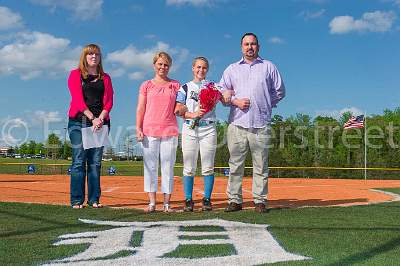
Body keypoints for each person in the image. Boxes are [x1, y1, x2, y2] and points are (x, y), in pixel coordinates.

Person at [219, 33, 286, 213]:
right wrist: (235, 101)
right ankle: (234, 200)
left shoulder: (268, 67)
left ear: (258, 46)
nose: (250, 47)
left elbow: (279, 91)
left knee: (261, 164)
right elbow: (222, 94)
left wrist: (264, 104)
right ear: (241, 47)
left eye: (253, 44)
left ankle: (260, 200)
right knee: (235, 164)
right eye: (246, 44)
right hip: (237, 123)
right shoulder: (231, 69)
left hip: (261, 124)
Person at [67, 43, 114, 209]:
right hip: (79, 123)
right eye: (90, 54)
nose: (94, 57)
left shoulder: (105, 77)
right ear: (85, 57)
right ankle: (77, 200)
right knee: (79, 160)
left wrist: (100, 118)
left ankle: (94, 199)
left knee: (95, 163)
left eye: (97, 54)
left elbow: (109, 101)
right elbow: (78, 100)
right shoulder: (75, 75)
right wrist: (92, 118)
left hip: (100, 124)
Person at [136, 51, 180, 213]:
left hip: (170, 130)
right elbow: (141, 108)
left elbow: (181, 106)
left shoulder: (175, 85)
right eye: (160, 64)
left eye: (166, 64)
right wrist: (138, 128)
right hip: (149, 130)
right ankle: (152, 203)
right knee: (150, 167)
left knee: (168, 168)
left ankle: (167, 204)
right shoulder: (146, 85)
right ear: (154, 65)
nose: (163, 67)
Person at [175, 56, 220, 212]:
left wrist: (226, 94)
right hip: (190, 128)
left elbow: (226, 97)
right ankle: (188, 199)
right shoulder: (185, 88)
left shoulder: (213, 87)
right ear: (193, 68)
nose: (201, 70)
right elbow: (178, 109)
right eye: (198, 67)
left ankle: (207, 199)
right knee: (189, 167)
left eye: (204, 68)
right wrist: (193, 114)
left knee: (208, 167)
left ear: (207, 70)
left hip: (208, 128)